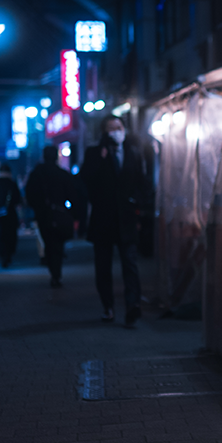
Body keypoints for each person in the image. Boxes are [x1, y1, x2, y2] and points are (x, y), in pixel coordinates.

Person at [79, 115, 149, 326]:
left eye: (119, 127)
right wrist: (100, 158)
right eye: (111, 129)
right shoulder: (94, 153)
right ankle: (107, 306)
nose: (116, 132)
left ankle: (132, 307)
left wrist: (137, 204)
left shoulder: (132, 152)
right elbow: (85, 180)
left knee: (130, 264)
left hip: (126, 219)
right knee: (103, 266)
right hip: (103, 219)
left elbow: (140, 182)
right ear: (104, 133)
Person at [24, 145, 83, 287]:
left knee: (48, 243)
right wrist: (75, 215)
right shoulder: (62, 174)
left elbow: (29, 194)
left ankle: (54, 271)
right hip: (60, 213)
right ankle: (57, 272)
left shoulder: (36, 173)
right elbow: (73, 195)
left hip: (43, 214)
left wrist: (37, 208)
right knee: (58, 242)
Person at [0, 163, 23, 268]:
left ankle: (3, 256)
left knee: (0, 235)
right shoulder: (12, 184)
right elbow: (18, 199)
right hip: (10, 214)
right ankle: (8, 256)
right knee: (10, 236)